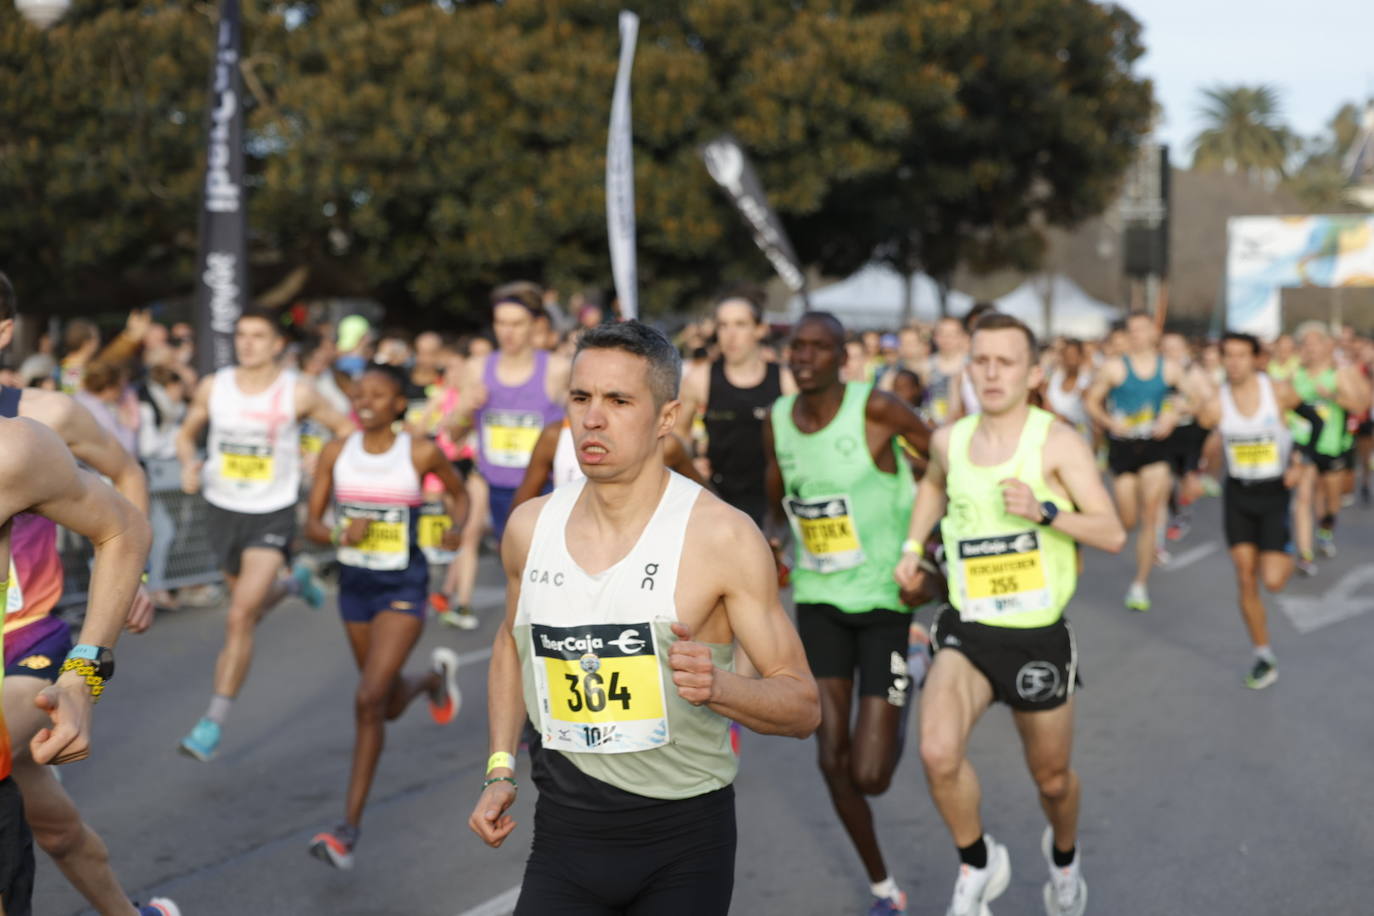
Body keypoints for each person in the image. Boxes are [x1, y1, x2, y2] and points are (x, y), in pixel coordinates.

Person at [468, 321, 819, 916]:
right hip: (564, 841)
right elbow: (510, 643)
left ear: (666, 417)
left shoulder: (722, 537)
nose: (592, 419)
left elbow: (802, 704)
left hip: (682, 845)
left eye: (618, 400)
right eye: (581, 398)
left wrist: (723, 687)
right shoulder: (530, 529)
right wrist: (499, 767)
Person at [895, 312, 1125, 916]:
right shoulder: (950, 439)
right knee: (937, 752)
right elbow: (933, 486)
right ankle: (978, 863)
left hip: (1036, 635)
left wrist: (1047, 511)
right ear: (968, 367)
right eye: (982, 361)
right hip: (967, 627)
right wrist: (913, 548)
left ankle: (1065, 858)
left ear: (1033, 373)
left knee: (1052, 780)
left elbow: (1111, 532)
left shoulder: (1057, 443)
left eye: (1006, 362)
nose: (992, 373)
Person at [0, 274, 177, 916]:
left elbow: (125, 476)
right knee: (55, 826)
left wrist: (139, 580)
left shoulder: (41, 421)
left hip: (31, 638)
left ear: (3, 331)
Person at [763, 312, 932, 915]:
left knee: (871, 774)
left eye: (817, 347)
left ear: (841, 356)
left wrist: (925, 550)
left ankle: (912, 663)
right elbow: (779, 489)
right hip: (819, 600)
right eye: (795, 347)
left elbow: (943, 464)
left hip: (886, 601)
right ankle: (883, 885)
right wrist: (775, 540)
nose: (803, 356)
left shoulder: (877, 410)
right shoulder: (779, 420)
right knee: (829, 756)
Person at [302, 365, 468, 868]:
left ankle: (346, 831)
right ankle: (432, 681)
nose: (366, 399)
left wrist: (455, 529)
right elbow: (310, 524)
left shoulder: (418, 452)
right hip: (355, 589)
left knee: (368, 698)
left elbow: (460, 496)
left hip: (402, 587)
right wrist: (335, 535)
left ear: (400, 404)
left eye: (379, 393)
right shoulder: (337, 452)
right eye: (360, 392)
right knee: (386, 704)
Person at [176, 308, 356, 761]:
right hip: (222, 508)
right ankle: (296, 583)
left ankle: (211, 721)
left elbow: (345, 429)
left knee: (238, 616)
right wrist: (187, 465)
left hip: (271, 513)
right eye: (241, 335)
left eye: (258, 335)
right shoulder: (214, 386)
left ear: (278, 343)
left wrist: (323, 461)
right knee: (248, 610)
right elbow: (186, 433)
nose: (247, 343)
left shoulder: (297, 391)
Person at [1191, 333, 1322, 689]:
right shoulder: (1216, 402)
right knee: (1245, 575)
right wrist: (1193, 472)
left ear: (1255, 359)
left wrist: (1301, 459)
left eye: (1241, 356)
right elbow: (1192, 438)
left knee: (1274, 580)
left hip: (1274, 493)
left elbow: (1315, 422)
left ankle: (1290, 547)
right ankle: (1263, 654)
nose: (1234, 363)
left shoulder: (1277, 392)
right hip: (1238, 494)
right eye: (1228, 356)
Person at [451, 282, 569, 546]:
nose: (508, 332)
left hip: (545, 488)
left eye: (517, 324)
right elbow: (453, 434)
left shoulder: (557, 369)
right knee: (512, 570)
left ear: (535, 325)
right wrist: (465, 407)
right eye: (501, 323)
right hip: (496, 488)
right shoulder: (476, 368)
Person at [1083, 312, 1185, 611]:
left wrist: (1172, 414)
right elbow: (1091, 401)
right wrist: (1108, 422)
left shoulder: (1170, 368)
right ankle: (1134, 540)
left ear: (1155, 333)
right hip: (1124, 447)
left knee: (1151, 514)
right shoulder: (1114, 368)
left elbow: (1193, 397)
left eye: (1143, 329)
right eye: (1132, 330)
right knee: (1128, 518)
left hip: (1156, 447)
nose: (1138, 335)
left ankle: (1139, 584)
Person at [674, 290, 795, 527]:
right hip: (718, 498)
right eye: (723, 325)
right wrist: (690, 462)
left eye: (740, 324)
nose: (731, 335)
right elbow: (677, 434)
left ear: (760, 329)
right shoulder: (700, 379)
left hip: (773, 502)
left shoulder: (785, 380)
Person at [1287, 322, 1371, 572]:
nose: (1310, 349)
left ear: (1327, 346)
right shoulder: (1297, 374)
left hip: (1333, 446)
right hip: (1303, 445)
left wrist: (1332, 396)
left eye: (1315, 344)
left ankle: (1326, 529)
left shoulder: (1339, 374)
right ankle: (1305, 554)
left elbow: (1359, 407)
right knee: (1303, 498)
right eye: (1306, 345)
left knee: (1331, 499)